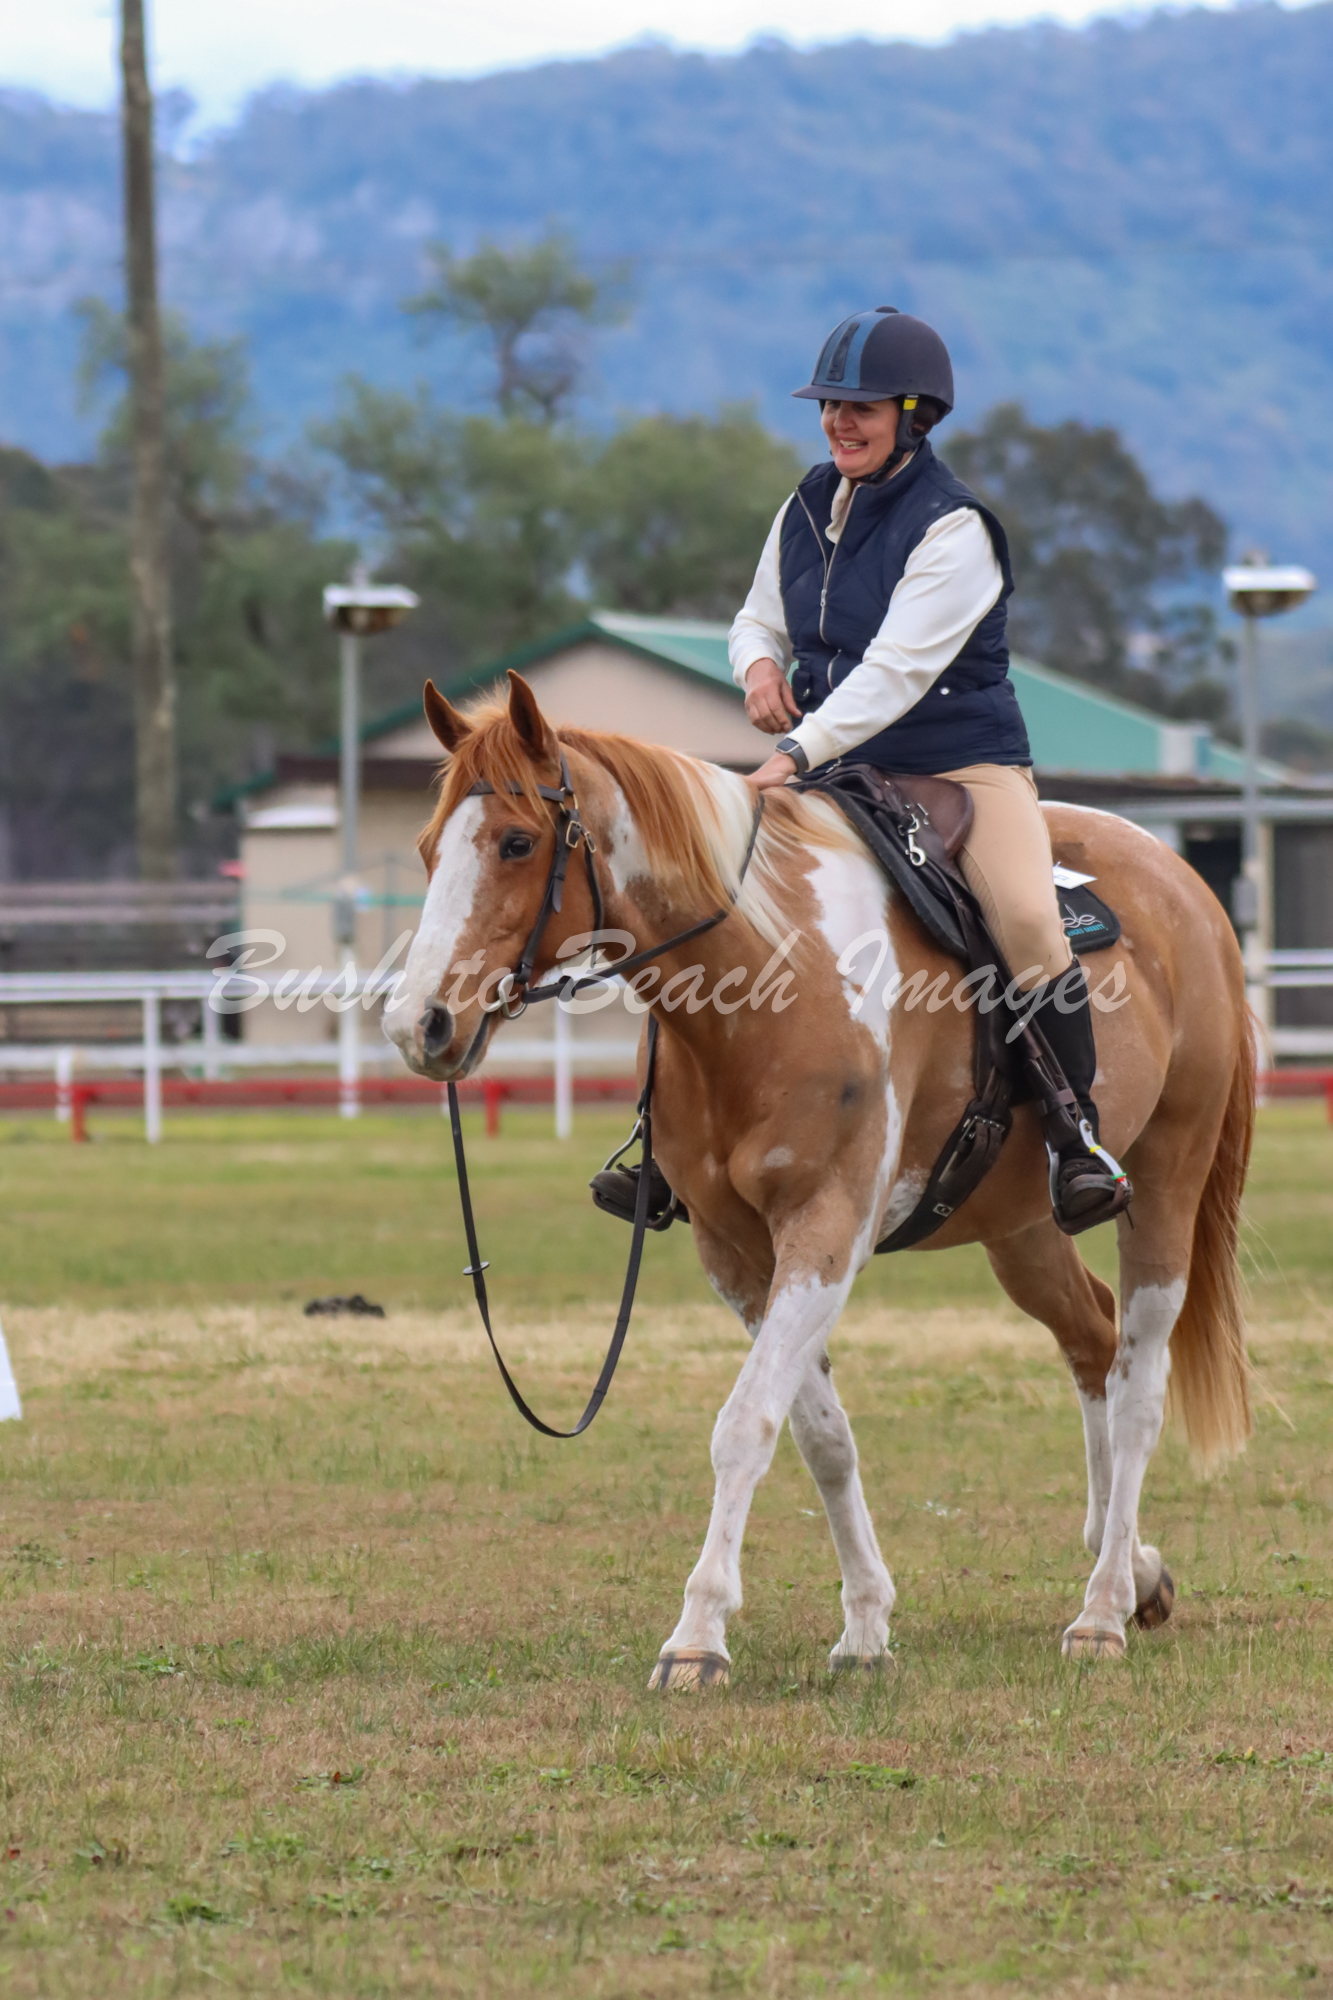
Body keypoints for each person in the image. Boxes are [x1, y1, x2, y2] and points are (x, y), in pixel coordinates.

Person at [731, 306, 1129, 1232]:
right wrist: (755, 668)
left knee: (1025, 918)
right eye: (829, 405)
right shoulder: (803, 506)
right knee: (718, 896)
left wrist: (791, 752)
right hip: (839, 766)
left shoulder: (955, 530)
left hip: (960, 767)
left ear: (915, 416)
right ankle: (664, 1140)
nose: (838, 422)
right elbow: (757, 617)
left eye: (861, 408)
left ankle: (1076, 1137)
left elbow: (894, 674)